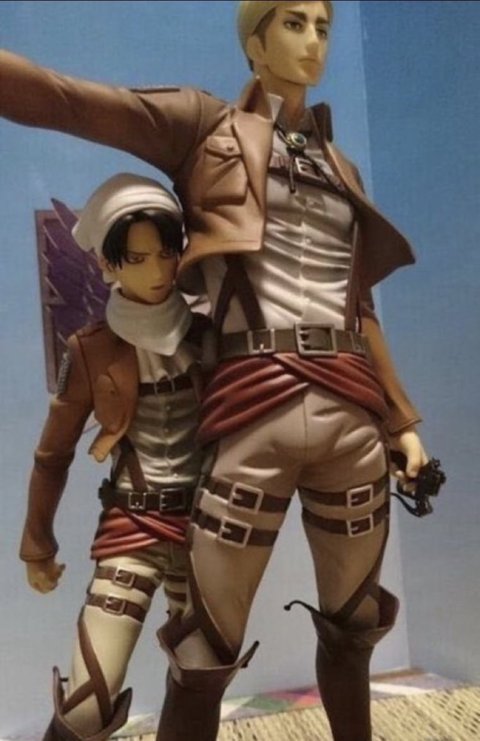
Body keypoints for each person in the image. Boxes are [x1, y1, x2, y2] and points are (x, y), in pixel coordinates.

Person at [1, 3, 429, 739]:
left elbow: (359, 308)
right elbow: (67, 100)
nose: (314, 41)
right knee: (202, 654)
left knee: (355, 630)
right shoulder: (206, 129)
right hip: (255, 408)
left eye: (324, 26)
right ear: (253, 42)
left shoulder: (341, 168)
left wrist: (403, 422)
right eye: (293, 23)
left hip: (350, 413)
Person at [20, 173, 208, 741]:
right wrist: (38, 545)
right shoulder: (90, 349)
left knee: (201, 685)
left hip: (207, 532)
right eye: (138, 259)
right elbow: (53, 453)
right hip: (134, 525)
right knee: (86, 703)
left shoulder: (212, 334)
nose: (157, 271)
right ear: (107, 265)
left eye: (166, 254)